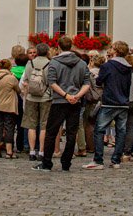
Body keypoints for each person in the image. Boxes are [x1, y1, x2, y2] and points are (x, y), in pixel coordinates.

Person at [39, 35, 91, 172]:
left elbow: (52, 83)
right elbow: (87, 83)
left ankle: (47, 163)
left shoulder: (54, 63)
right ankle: (66, 163)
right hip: (75, 101)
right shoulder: (81, 63)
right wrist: (76, 96)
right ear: (71, 46)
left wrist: (65, 95)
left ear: (59, 47)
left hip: (59, 101)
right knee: (71, 133)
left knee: (51, 132)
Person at [87, 41, 133, 169]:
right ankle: (116, 160)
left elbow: (99, 81)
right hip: (123, 102)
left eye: (112, 48)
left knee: (99, 130)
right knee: (121, 131)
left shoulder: (108, 66)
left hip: (110, 101)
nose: (110, 49)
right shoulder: (128, 67)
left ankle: (98, 160)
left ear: (116, 51)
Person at [22, 42, 53, 162]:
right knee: (44, 125)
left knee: (31, 125)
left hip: (31, 97)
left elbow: (25, 80)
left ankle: (31, 151)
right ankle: (41, 151)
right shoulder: (50, 64)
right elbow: (51, 82)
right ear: (47, 52)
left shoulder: (30, 63)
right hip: (45, 97)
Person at [0, 58, 20, 159]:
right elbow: (18, 90)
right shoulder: (11, 78)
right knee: (9, 127)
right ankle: (9, 151)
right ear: (9, 67)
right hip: (8, 106)